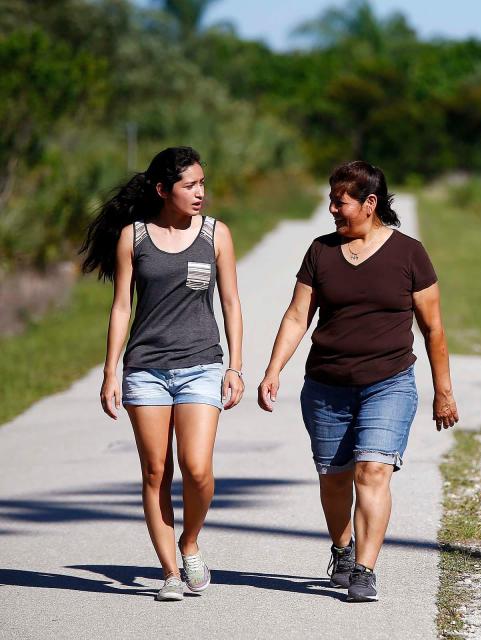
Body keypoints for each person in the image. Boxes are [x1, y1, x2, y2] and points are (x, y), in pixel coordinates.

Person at [257, 160, 458, 602]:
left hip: (389, 381)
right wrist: (273, 369)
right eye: (331, 200)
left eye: (340, 201)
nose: (332, 209)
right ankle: (342, 549)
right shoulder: (320, 251)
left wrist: (443, 391)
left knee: (373, 470)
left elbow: (434, 329)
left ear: (370, 204)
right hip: (326, 386)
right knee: (335, 477)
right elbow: (297, 316)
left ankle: (365, 570)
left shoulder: (410, 254)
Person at [80, 146, 244, 602]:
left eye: (203, 184)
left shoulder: (216, 235)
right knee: (155, 472)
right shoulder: (134, 238)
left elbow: (231, 303)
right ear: (162, 190)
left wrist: (235, 366)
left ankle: (189, 543)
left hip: (202, 364)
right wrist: (111, 372)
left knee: (197, 469)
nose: (200, 193)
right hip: (146, 370)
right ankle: (170, 572)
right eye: (190, 185)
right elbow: (121, 308)